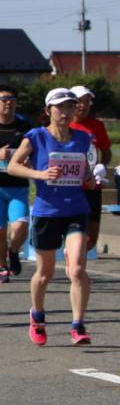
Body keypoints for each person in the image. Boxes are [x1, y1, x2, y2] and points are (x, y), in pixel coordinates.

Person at [6, 88, 97, 345]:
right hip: (47, 211)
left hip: (76, 209)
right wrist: (41, 175)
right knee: (44, 274)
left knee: (77, 268)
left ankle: (78, 324)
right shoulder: (36, 137)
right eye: (60, 107)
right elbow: (13, 166)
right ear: (48, 111)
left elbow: (84, 170)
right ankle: (37, 315)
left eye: (70, 106)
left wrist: (89, 178)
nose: (66, 112)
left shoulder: (82, 138)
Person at [68, 85, 111, 254]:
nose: (83, 106)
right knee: (74, 234)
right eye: (79, 101)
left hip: (92, 186)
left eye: (87, 102)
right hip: (70, 186)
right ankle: (76, 268)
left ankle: (76, 263)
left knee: (91, 238)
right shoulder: (64, 125)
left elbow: (106, 152)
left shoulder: (97, 126)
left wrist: (102, 165)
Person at [0, 83, 32, 282]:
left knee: (20, 226)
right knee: (0, 231)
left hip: (18, 186)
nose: (8, 103)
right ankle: (2, 266)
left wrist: (30, 159)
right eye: (3, 100)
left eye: (11, 100)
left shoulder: (25, 125)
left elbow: (36, 149)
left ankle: (13, 252)